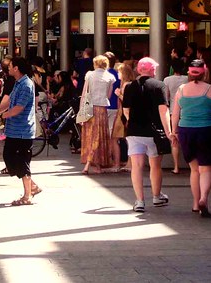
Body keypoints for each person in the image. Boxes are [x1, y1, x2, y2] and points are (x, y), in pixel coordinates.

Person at [169, 59, 211, 218]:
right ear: (204, 73)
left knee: (194, 169)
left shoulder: (181, 90)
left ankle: (195, 203)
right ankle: (204, 198)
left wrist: (174, 131)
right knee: (206, 169)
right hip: (208, 131)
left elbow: (175, 114)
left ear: (189, 74)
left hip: (186, 131)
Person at [0, 57, 37, 206]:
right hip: (13, 130)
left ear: (16, 68)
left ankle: (28, 195)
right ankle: (32, 186)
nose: (8, 68)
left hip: (23, 130)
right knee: (9, 158)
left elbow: (19, 108)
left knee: (22, 161)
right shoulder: (18, 83)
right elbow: (9, 103)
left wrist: (1, 116)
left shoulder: (26, 85)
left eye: (11, 66)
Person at [122, 57, 170, 213]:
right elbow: (163, 110)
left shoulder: (129, 87)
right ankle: (156, 196)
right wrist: (168, 132)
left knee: (136, 166)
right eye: (154, 68)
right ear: (151, 70)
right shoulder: (159, 85)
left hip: (134, 131)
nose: (155, 70)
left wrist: (132, 121)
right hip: (154, 132)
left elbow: (126, 110)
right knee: (155, 166)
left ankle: (140, 201)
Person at [80, 54, 116, 175]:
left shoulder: (89, 75)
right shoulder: (110, 77)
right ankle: (98, 163)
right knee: (100, 136)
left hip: (90, 108)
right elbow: (109, 95)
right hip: (102, 109)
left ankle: (88, 163)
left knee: (90, 136)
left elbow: (84, 94)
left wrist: (81, 112)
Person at [163, 62, 190, 174]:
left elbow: (166, 96)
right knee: (188, 137)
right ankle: (191, 163)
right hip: (186, 110)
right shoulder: (187, 79)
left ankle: (176, 167)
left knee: (174, 139)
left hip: (173, 110)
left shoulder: (167, 80)